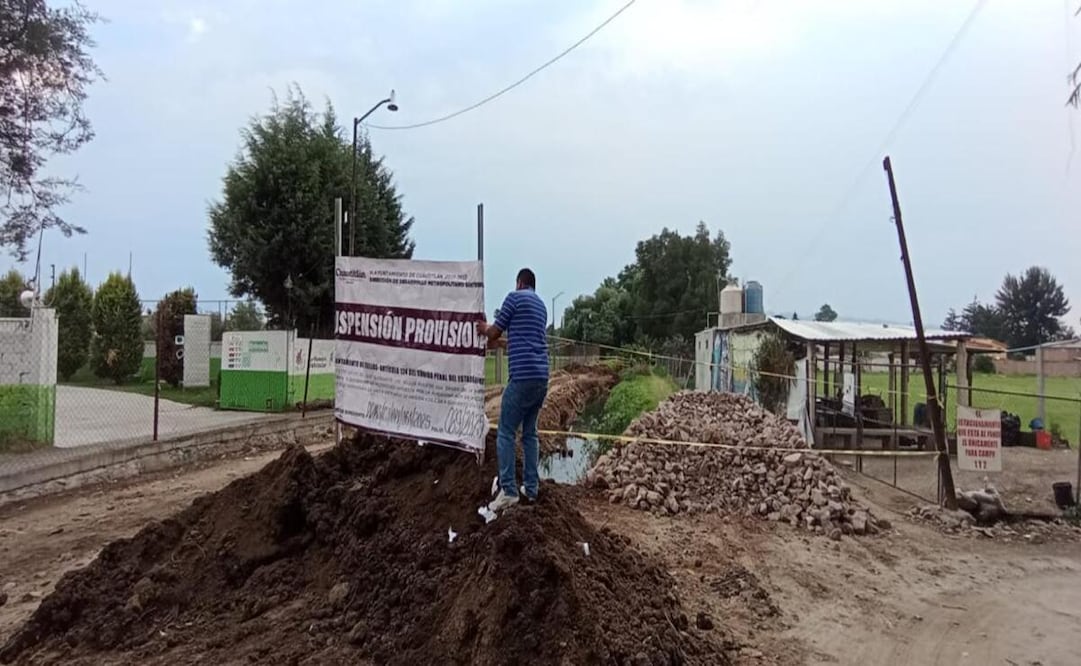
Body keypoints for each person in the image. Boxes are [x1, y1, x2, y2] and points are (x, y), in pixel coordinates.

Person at [480, 268, 549, 511]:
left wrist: (484, 329)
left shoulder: (514, 298)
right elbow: (523, 340)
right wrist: (500, 343)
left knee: (506, 431)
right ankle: (531, 488)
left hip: (522, 377)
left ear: (519, 282)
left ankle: (509, 490)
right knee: (529, 433)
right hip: (541, 378)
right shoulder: (541, 307)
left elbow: (494, 330)